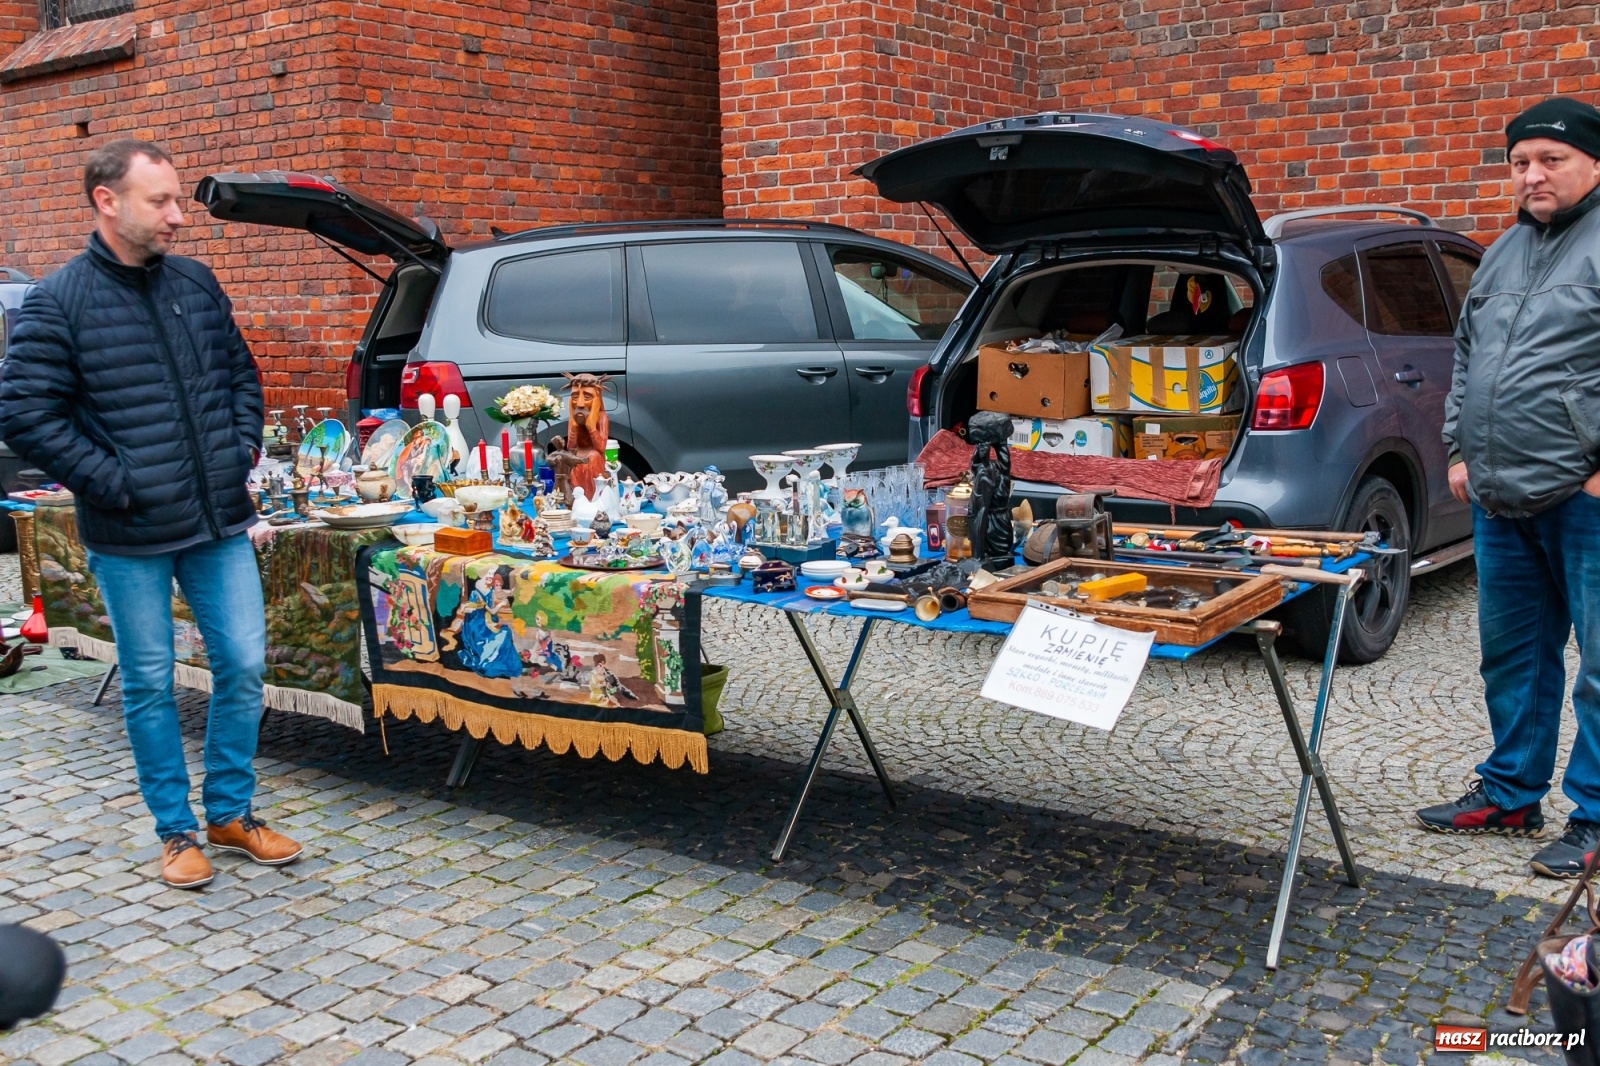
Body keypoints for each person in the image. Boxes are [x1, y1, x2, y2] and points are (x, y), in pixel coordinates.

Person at [0, 140, 302, 889]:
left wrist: (235, 452)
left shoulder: (195, 284)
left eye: (176, 200)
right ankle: (176, 832)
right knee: (148, 680)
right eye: (160, 201)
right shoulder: (59, 300)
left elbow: (240, 374)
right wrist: (114, 481)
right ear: (108, 201)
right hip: (129, 533)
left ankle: (230, 813)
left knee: (242, 665)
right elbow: (23, 412)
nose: (177, 216)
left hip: (217, 521)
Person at [1418, 98, 1600, 878]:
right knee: (1514, 656)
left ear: (1593, 162)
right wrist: (1460, 450)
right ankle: (1512, 792)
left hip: (1583, 497)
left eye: (1549, 160)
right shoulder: (1500, 254)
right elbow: (1465, 356)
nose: (1531, 175)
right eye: (1520, 162)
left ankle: (1595, 818)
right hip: (1498, 493)